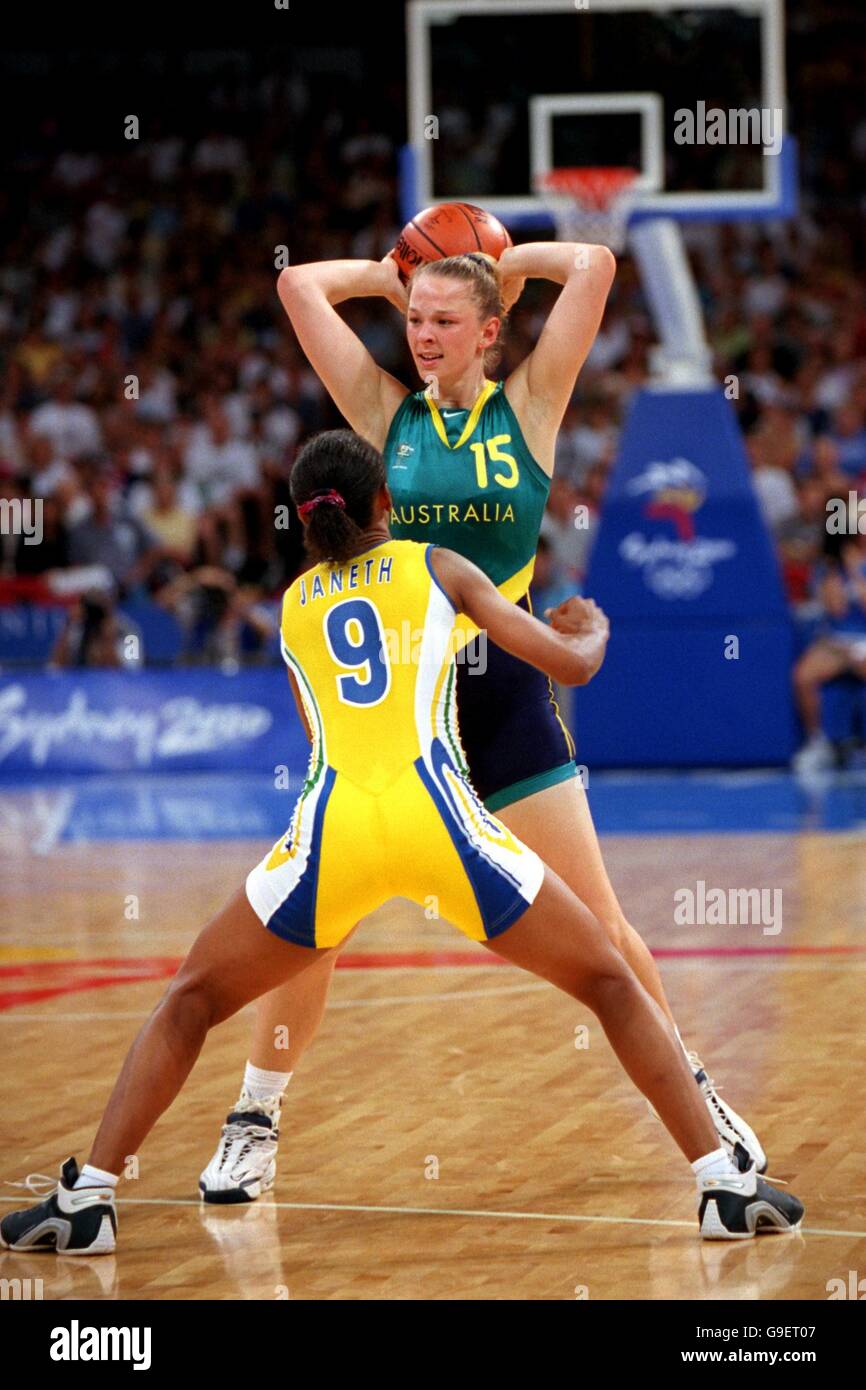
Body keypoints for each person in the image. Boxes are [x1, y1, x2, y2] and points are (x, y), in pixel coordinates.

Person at [0, 431, 804, 1253]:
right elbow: (567, 665)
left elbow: (320, 734)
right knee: (607, 977)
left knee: (190, 1002)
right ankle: (722, 1186)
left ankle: (89, 1199)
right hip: (437, 823)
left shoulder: (294, 606)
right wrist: (590, 627)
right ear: (385, 503)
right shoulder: (437, 566)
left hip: (334, 833)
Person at [199, 242, 767, 1204]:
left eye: (444, 321)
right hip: (398, 698)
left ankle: (696, 1095)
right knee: (316, 930)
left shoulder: (533, 404)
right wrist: (395, 272)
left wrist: (501, 255)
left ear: (492, 330)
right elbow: (297, 285)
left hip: (499, 685)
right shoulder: (385, 413)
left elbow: (593, 262)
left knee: (603, 926)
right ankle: (255, 1120)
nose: (422, 337)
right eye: (414, 321)